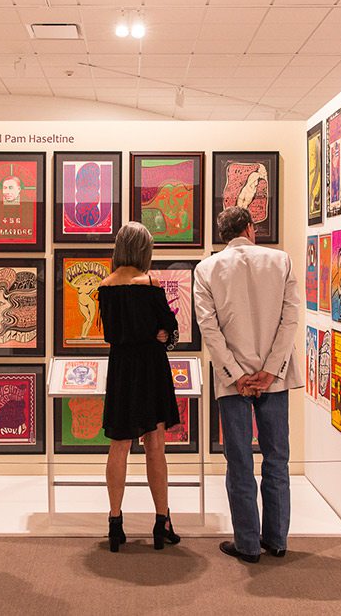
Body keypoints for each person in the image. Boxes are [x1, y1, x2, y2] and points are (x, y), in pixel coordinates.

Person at [194, 206, 302, 563]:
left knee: (239, 462)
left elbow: (209, 329)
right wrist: (270, 370)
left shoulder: (206, 269)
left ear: (224, 234)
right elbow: (290, 320)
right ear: (250, 228)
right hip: (275, 377)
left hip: (233, 382)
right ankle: (277, 540)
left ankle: (248, 545)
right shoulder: (280, 261)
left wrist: (238, 374)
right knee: (277, 459)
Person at [98, 221, 182, 552]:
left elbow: (110, 334)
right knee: (155, 446)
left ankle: (115, 522)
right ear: (144, 250)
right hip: (150, 369)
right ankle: (162, 522)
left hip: (120, 369)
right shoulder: (150, 283)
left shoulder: (105, 286)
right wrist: (160, 334)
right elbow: (169, 326)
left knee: (118, 446)